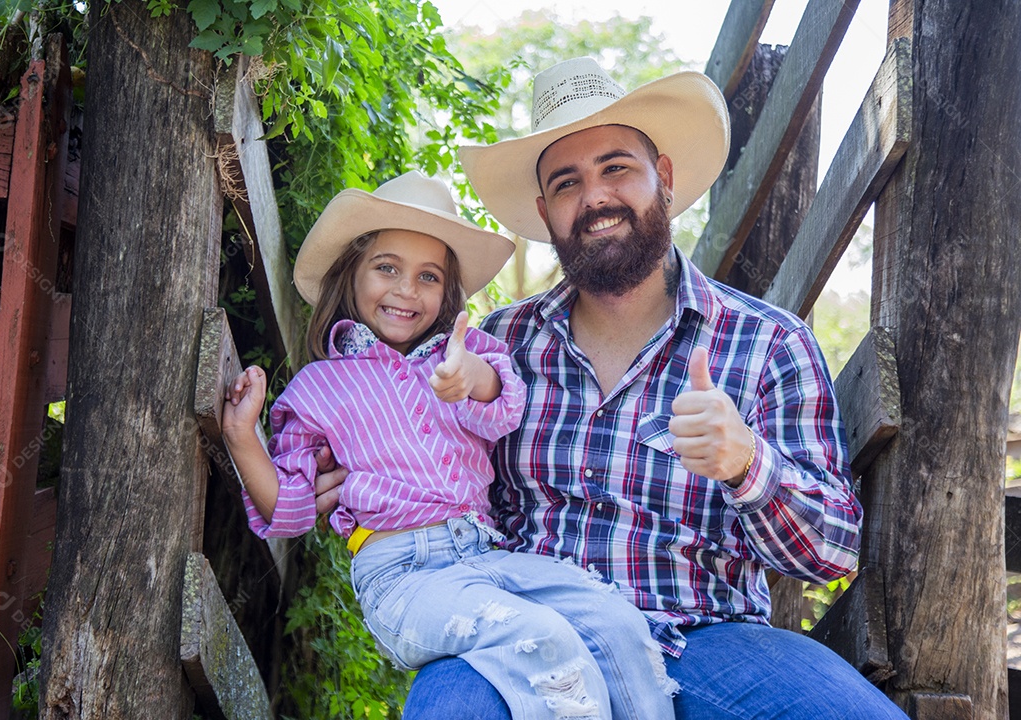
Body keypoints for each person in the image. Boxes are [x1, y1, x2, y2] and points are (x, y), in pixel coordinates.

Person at [328, 60, 908, 718]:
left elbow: (832, 550)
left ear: (661, 177)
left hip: (709, 641)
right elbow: (420, 453)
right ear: (546, 212)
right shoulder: (501, 344)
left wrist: (748, 462)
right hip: (523, 634)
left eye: (615, 169)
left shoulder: (767, 344)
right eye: (568, 182)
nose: (595, 197)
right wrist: (347, 468)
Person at [221, 170, 679, 720]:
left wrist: (470, 375)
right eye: (386, 268)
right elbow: (289, 510)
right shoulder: (317, 388)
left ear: (446, 294)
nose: (406, 290)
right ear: (351, 275)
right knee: (539, 639)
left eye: (428, 276)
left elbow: (504, 409)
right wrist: (243, 435)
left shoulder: (460, 354)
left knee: (614, 621)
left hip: (489, 555)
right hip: (403, 575)